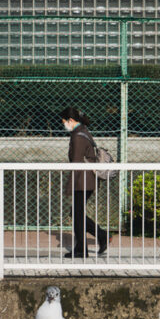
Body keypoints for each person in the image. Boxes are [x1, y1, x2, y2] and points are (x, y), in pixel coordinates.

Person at [61, 106, 109, 258]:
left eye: (64, 122)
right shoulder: (82, 131)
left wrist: (69, 187)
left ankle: (87, 245)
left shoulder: (78, 136)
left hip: (83, 180)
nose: (64, 125)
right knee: (76, 213)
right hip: (87, 180)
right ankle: (96, 239)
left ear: (70, 120)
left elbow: (76, 163)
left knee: (76, 213)